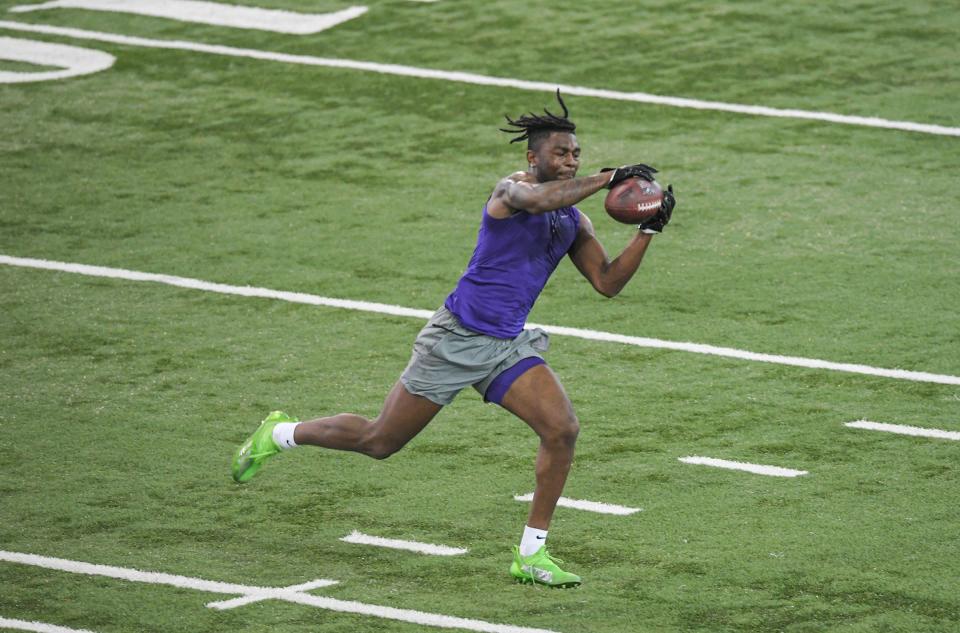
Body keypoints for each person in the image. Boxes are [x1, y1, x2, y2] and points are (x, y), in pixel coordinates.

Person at [232, 90, 676, 588]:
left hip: (507, 345)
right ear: (532, 157)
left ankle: (531, 555)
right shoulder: (512, 190)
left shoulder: (573, 218)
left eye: (576, 154)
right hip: (456, 339)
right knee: (380, 441)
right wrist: (610, 180)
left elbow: (608, 283)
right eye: (560, 153)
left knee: (562, 429)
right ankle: (280, 434)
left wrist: (648, 231)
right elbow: (537, 199)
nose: (571, 161)